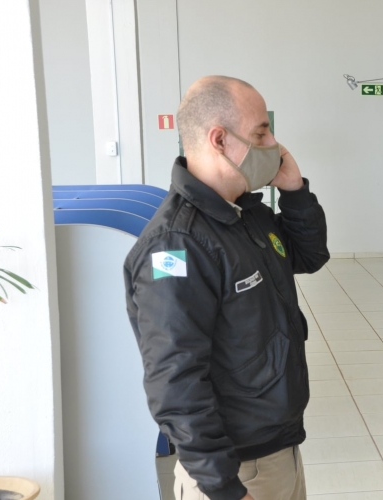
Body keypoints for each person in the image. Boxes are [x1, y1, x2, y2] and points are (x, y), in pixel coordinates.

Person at [124, 75, 329, 500]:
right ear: (219, 139)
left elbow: (308, 257)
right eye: (261, 132)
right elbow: (176, 382)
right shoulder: (175, 246)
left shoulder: (245, 214)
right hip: (237, 470)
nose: (274, 143)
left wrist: (293, 192)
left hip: (277, 450)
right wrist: (224, 488)